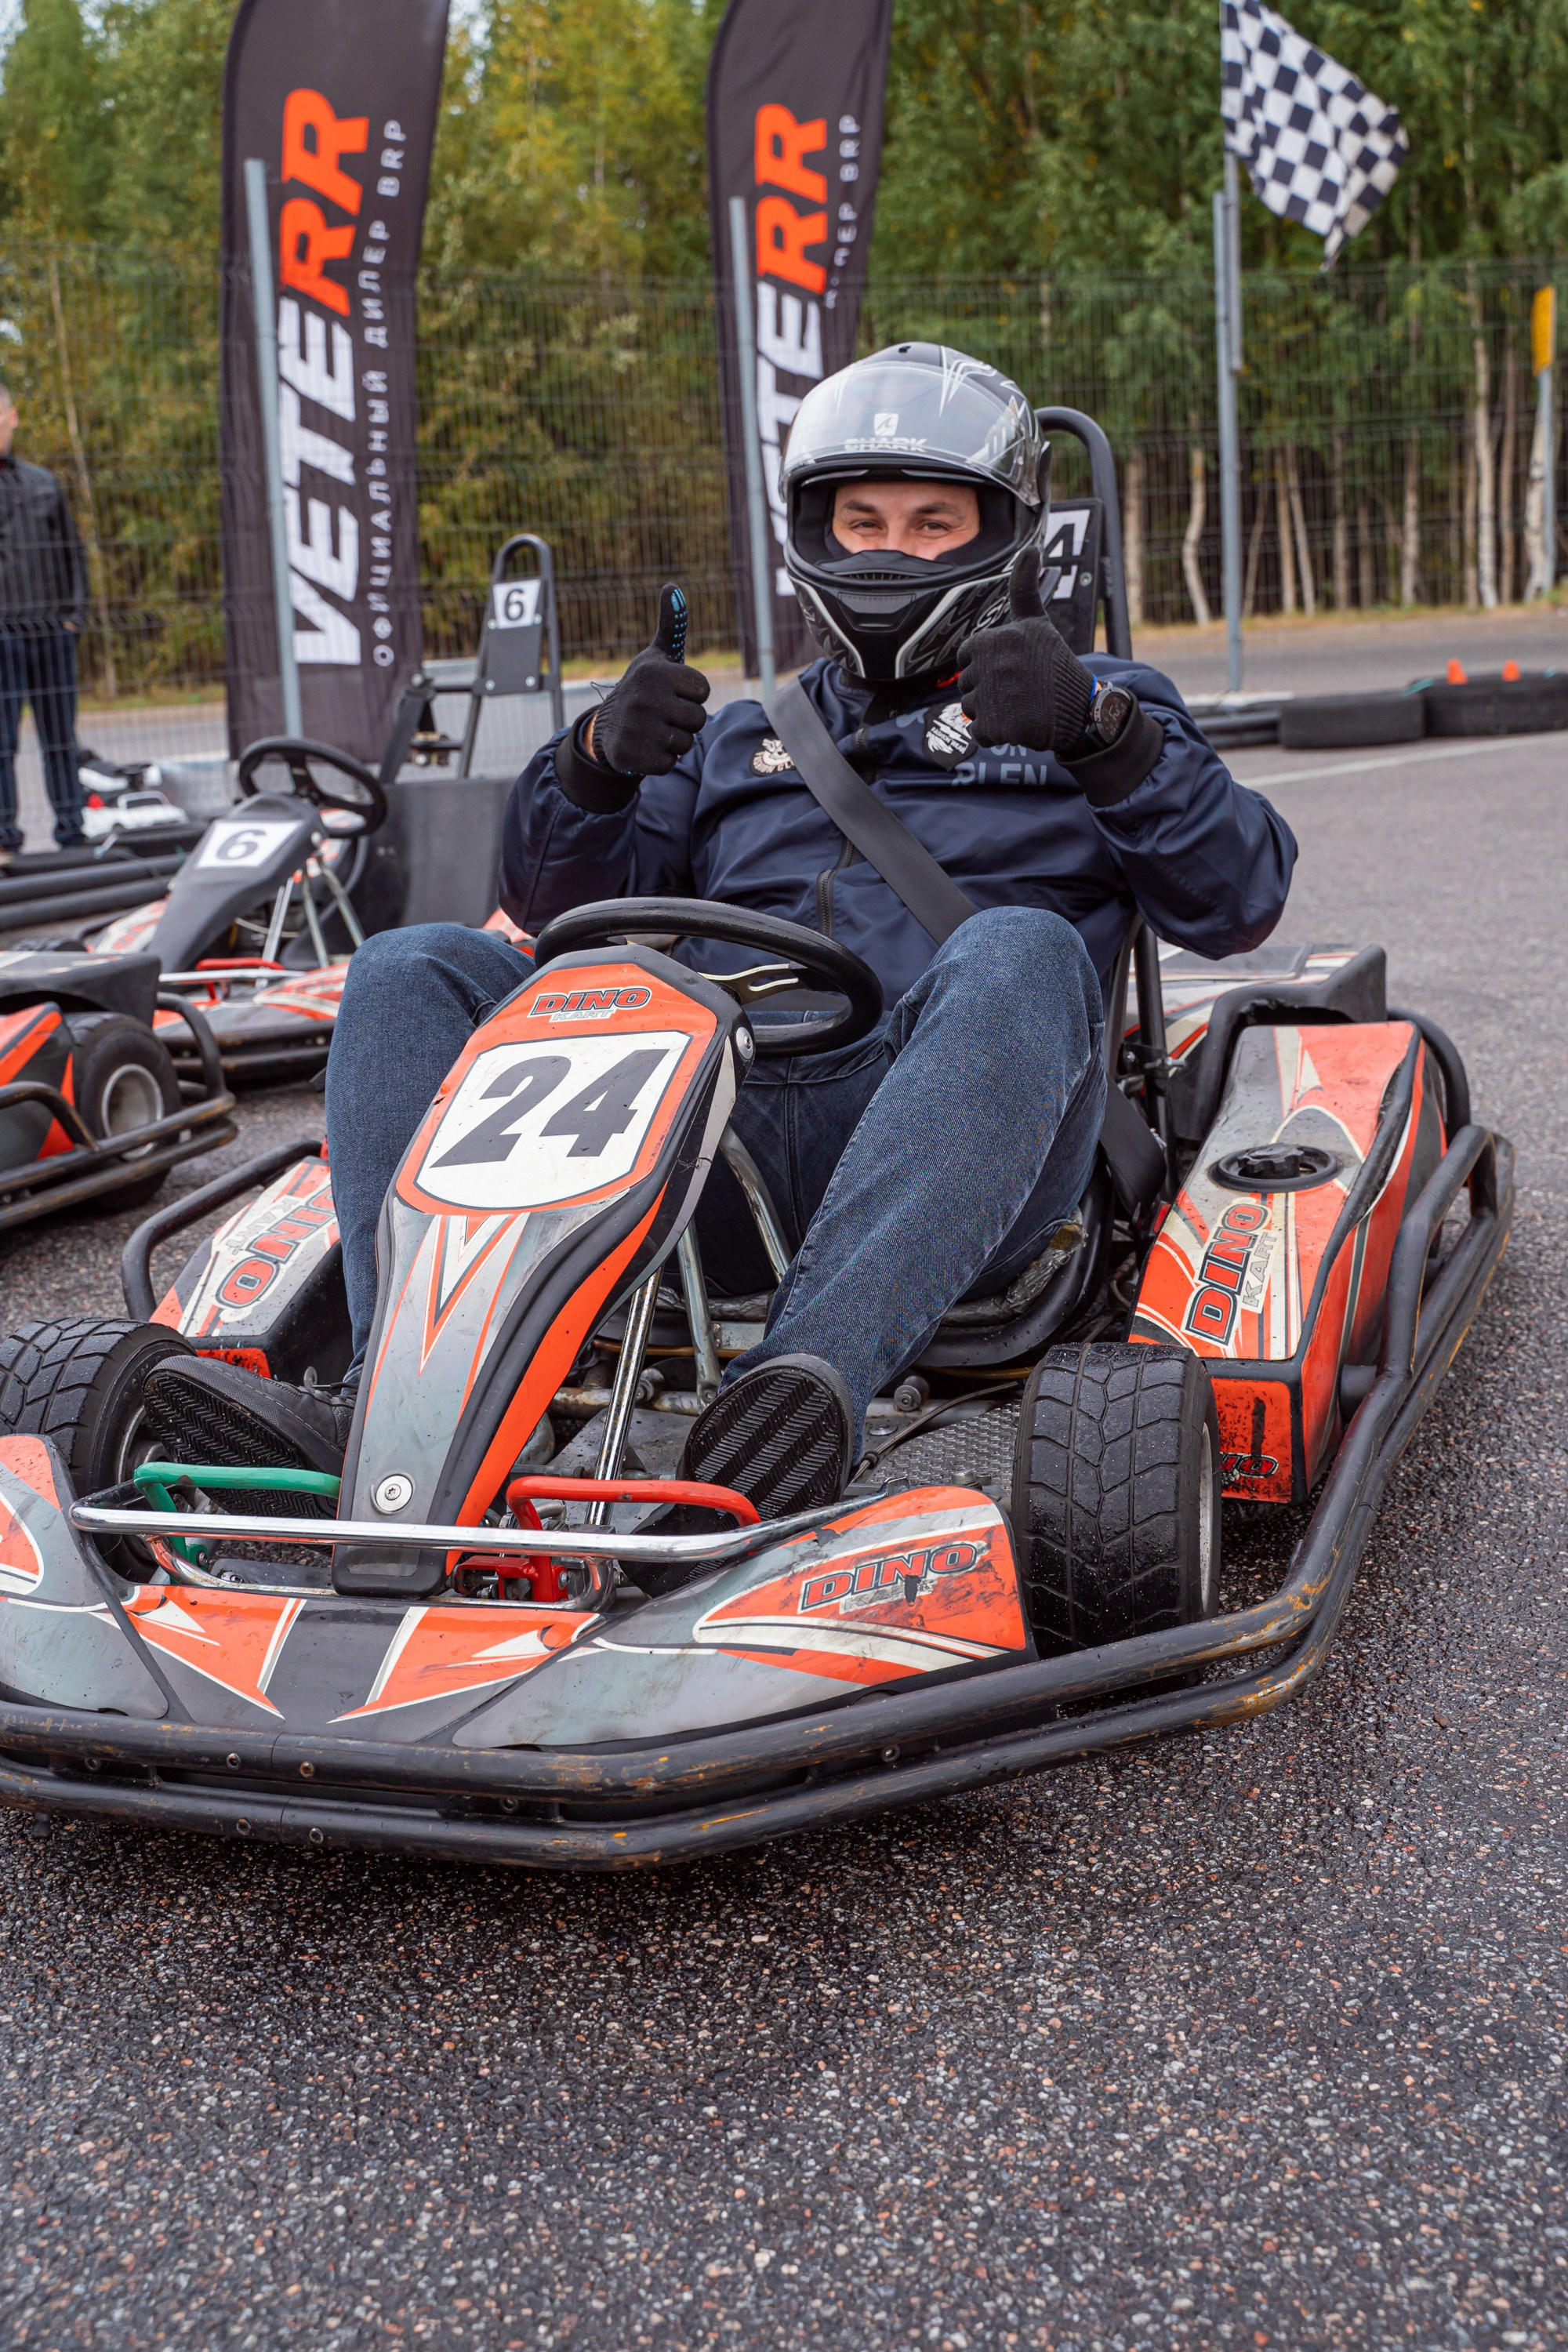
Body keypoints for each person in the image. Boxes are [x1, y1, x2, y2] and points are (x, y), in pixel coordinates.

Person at [147, 343, 1296, 1568]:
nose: (885, 551)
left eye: (927, 522)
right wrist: (590, 764)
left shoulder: (1098, 702)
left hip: (958, 1149)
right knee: (409, 965)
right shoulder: (738, 736)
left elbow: (1237, 898)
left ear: (998, 536)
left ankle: (805, 1394)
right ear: (812, 530)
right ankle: (387, 1401)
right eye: (859, 520)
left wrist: (1102, 739)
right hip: (702, 1142)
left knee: (1022, 948)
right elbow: (549, 914)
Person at [0, 383, 89, 865]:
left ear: (13, 418)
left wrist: (75, 617)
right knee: (1, 742)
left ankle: (72, 831)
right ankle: (4, 839)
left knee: (60, 736)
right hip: (2, 636)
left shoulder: (43, 484)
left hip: (52, 632)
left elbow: (74, 554)